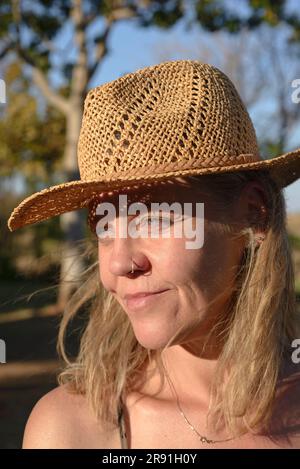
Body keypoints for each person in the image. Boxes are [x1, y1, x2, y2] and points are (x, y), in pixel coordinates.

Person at [8, 59, 300, 449]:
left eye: (155, 219)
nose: (116, 264)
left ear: (254, 214)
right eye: (106, 226)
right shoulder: (71, 430)